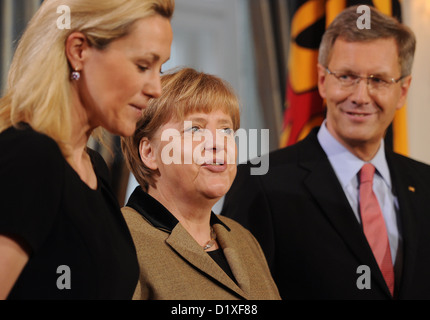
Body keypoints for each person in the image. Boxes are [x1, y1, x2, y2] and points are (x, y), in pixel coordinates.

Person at [222, 5, 430, 300]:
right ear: (322, 80)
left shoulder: (425, 183)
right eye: (346, 76)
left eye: (379, 80)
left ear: (403, 91)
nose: (360, 96)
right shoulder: (260, 182)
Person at [0, 0, 174, 299]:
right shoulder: (30, 156)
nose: (156, 88)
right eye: (143, 66)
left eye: (160, 69)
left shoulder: (95, 167)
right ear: (78, 51)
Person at [121, 67, 280, 300]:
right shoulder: (120, 239)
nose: (218, 143)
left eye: (226, 130)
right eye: (195, 129)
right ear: (149, 153)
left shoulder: (243, 238)